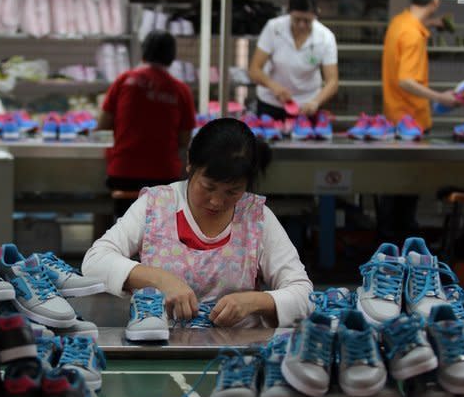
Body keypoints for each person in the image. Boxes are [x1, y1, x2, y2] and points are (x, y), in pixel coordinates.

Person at [82, 118, 312, 328]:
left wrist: (257, 301)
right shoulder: (157, 205)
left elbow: (304, 295)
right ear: (190, 163)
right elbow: (95, 261)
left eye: (233, 191)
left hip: (236, 354)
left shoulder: (256, 217)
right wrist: (160, 280)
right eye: (209, 187)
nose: (216, 201)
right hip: (159, 344)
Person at [378, 0, 461, 242]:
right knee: (405, 197)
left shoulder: (399, 23)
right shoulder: (413, 35)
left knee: (393, 193)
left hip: (395, 119)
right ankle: (403, 254)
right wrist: (441, 97)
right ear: (435, 0)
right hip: (411, 124)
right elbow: (406, 80)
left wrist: (432, 23)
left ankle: (388, 251)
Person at [97, 30, 196, 218]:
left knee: (124, 227)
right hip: (164, 176)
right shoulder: (181, 90)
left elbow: (102, 123)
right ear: (171, 57)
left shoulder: (125, 81)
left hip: (123, 174)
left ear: (143, 52)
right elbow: (184, 140)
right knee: (159, 231)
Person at [248, 0, 339, 120]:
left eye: (307, 21)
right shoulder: (274, 28)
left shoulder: (326, 37)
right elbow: (254, 70)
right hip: (271, 102)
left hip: (307, 105)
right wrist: (273, 86)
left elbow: (332, 82)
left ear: (316, 15)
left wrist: (316, 102)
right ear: (289, 13)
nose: (301, 25)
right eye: (296, 19)